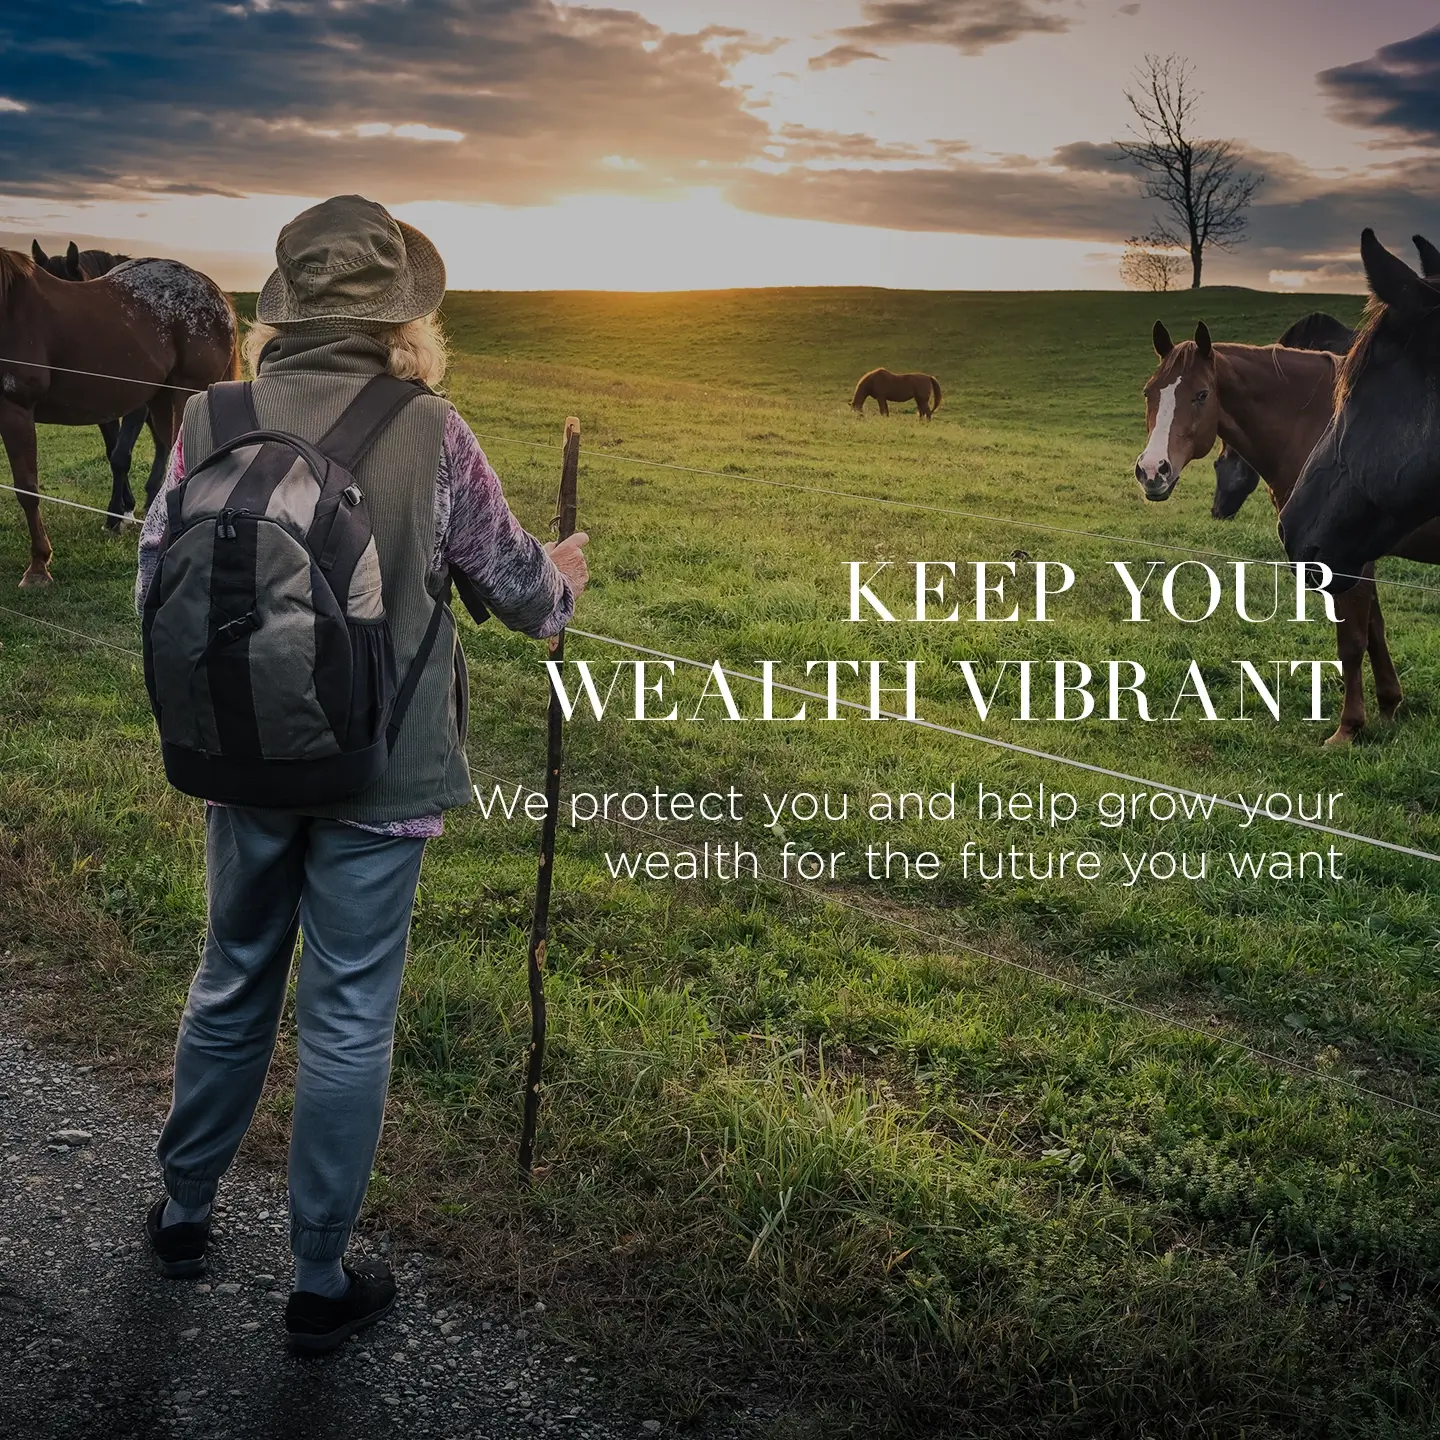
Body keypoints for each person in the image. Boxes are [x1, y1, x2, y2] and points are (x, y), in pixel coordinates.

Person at [133, 195, 590, 1352]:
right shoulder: (432, 429)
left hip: (241, 754)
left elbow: (155, 584)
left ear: (280, 311)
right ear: (404, 320)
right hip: (381, 776)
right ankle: (318, 1280)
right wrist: (568, 574)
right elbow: (523, 589)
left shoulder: (206, 415)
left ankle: (182, 1217)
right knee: (347, 1016)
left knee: (231, 974)